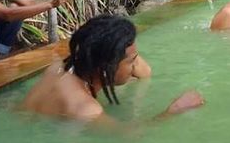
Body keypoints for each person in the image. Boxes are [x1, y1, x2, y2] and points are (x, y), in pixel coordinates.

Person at [23, 14, 204, 122]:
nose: (135, 67)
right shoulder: (86, 109)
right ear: (106, 66)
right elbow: (127, 136)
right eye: (132, 61)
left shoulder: (59, 69)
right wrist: (171, 112)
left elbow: (144, 71)